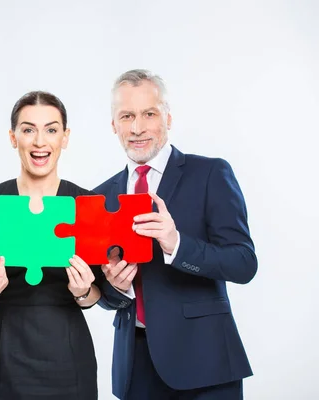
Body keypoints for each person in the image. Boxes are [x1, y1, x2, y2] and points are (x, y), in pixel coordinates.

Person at [95, 69, 258, 400]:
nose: (137, 127)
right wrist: (117, 287)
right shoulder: (101, 198)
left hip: (206, 365)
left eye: (149, 114)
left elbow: (244, 263)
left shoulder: (210, 173)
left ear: (167, 117)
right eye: (126, 116)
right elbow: (103, 295)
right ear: (114, 124)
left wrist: (177, 244)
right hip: (134, 368)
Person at [0, 91, 104, 400]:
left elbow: (99, 294)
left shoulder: (87, 204)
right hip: (8, 347)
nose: (40, 141)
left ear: (65, 137)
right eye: (28, 129)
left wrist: (83, 290)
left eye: (51, 129)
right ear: (13, 137)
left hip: (69, 349)